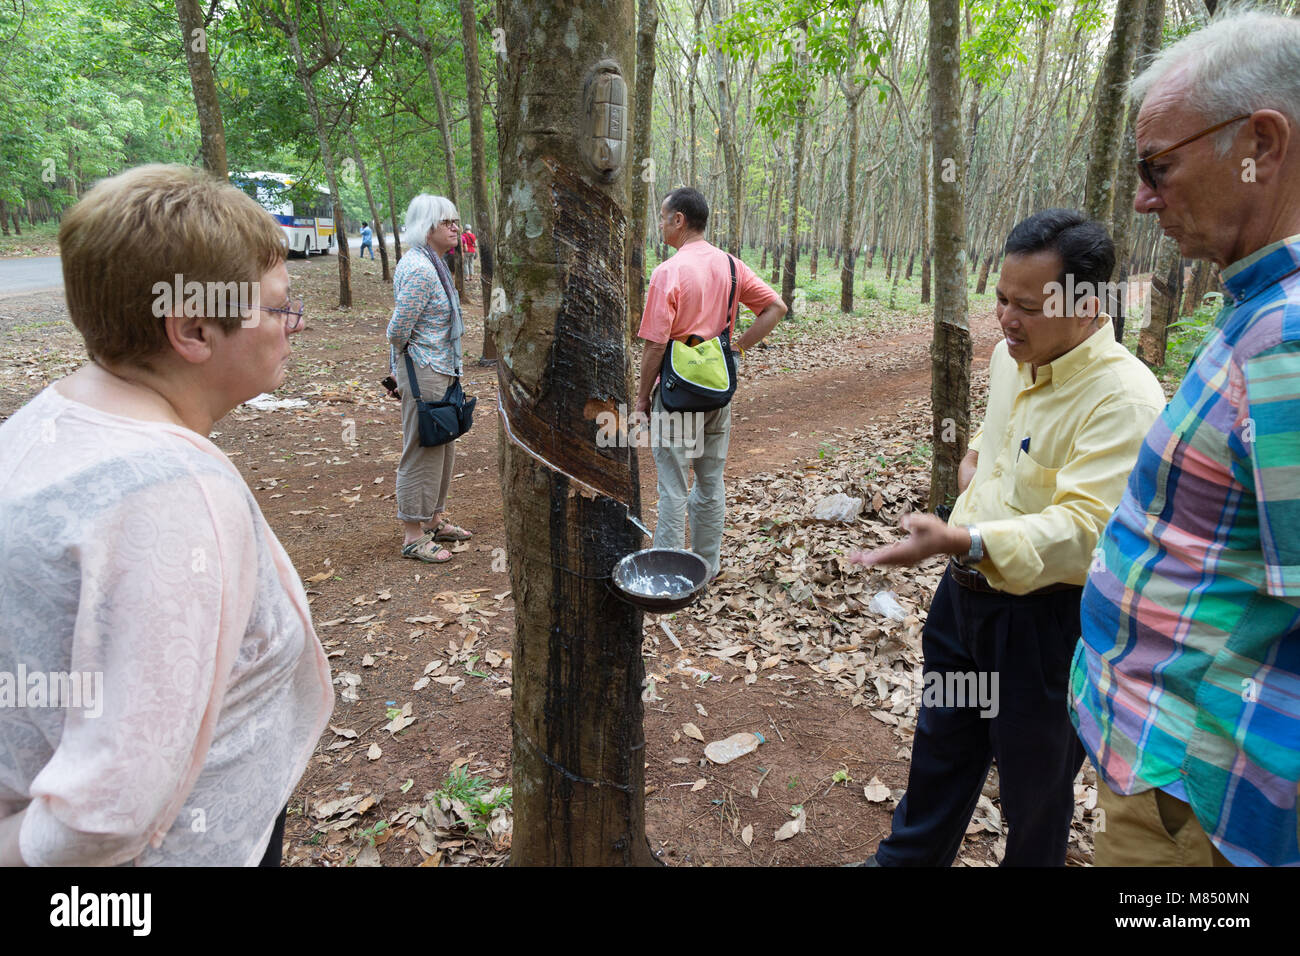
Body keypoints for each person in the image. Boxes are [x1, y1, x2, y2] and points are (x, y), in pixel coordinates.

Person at [0, 164, 333, 866]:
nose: (293, 326)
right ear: (192, 331)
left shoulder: (46, 422)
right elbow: (106, 812)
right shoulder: (167, 498)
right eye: (277, 308)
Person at [848, 210, 1167, 867]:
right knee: (943, 742)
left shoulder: (1125, 400)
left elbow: (1084, 532)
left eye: (1026, 305)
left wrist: (963, 536)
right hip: (964, 603)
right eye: (999, 299)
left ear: (1086, 304)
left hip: (1045, 629)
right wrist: (975, 470)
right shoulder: (1009, 358)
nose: (1005, 319)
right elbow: (1000, 449)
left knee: (1035, 789)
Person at [1071, 11, 1300, 868]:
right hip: (1173, 778)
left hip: (1201, 803)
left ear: (1261, 143)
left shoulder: (1287, 339)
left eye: (1159, 167)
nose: (1142, 196)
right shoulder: (1257, 315)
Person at [635, 187, 786, 580]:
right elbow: (775, 307)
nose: (660, 224)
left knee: (672, 487)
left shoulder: (668, 271)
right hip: (718, 392)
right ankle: (707, 566)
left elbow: (654, 346)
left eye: (663, 216)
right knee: (710, 480)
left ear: (679, 220)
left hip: (677, 394)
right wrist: (735, 349)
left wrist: (640, 400)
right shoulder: (733, 266)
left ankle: (668, 571)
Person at [387, 195, 471, 563]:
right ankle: (412, 534)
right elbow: (397, 329)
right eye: (447, 222)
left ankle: (434, 520)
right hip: (425, 369)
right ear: (428, 227)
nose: (455, 227)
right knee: (422, 447)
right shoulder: (420, 269)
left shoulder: (434, 263)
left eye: (455, 221)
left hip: (443, 367)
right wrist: (404, 369)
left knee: (443, 442)